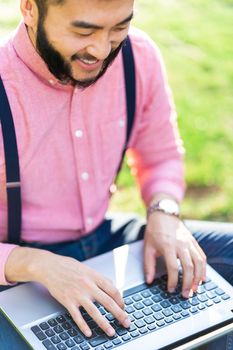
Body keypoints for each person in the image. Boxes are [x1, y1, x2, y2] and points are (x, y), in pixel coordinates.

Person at [0, 0, 232, 349]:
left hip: (108, 237)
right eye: (84, 31)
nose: (101, 50)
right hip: (17, 271)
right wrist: (32, 263)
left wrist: (165, 212)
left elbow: (161, 154)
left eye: (119, 28)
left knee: (212, 319)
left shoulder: (138, 56)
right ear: (30, 8)